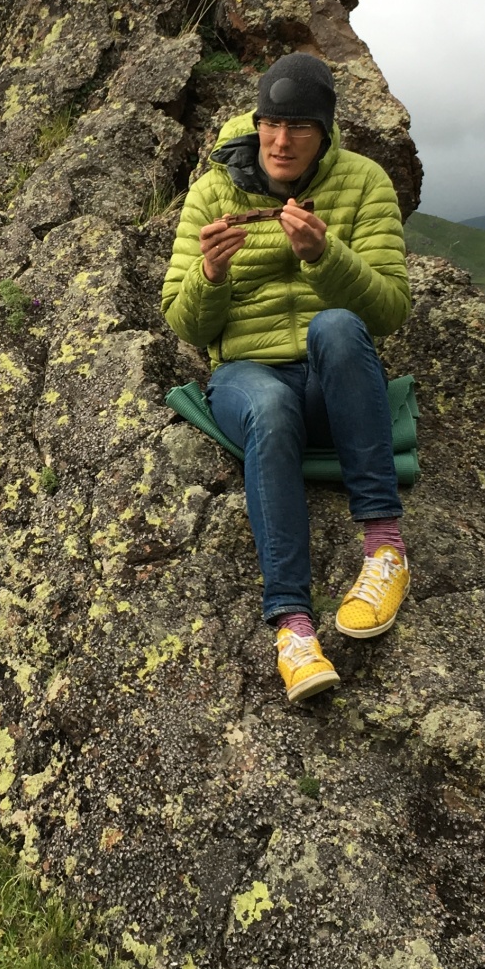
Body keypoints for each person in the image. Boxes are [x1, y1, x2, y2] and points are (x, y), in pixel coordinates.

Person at [161, 52, 412, 705]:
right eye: (270, 122)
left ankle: (384, 551)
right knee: (269, 406)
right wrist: (209, 277)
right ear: (255, 121)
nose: (280, 140)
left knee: (335, 324)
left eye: (298, 126)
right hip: (247, 377)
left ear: (323, 131)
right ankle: (294, 630)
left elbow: (386, 309)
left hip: (334, 383)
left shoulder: (363, 183)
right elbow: (184, 324)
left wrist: (324, 258)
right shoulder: (214, 190)